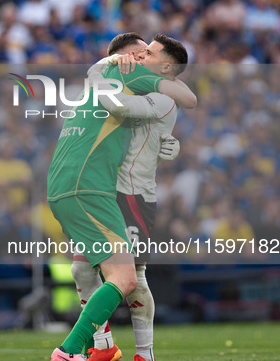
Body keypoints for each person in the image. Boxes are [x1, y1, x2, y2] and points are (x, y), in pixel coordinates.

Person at [47, 33, 195, 361]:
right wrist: (102, 68)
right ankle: (102, 346)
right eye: (140, 52)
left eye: (149, 52)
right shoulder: (120, 74)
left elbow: (179, 101)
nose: (142, 56)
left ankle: (144, 354)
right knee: (83, 271)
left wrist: (98, 74)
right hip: (101, 187)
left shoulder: (143, 83)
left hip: (131, 192)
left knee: (132, 278)